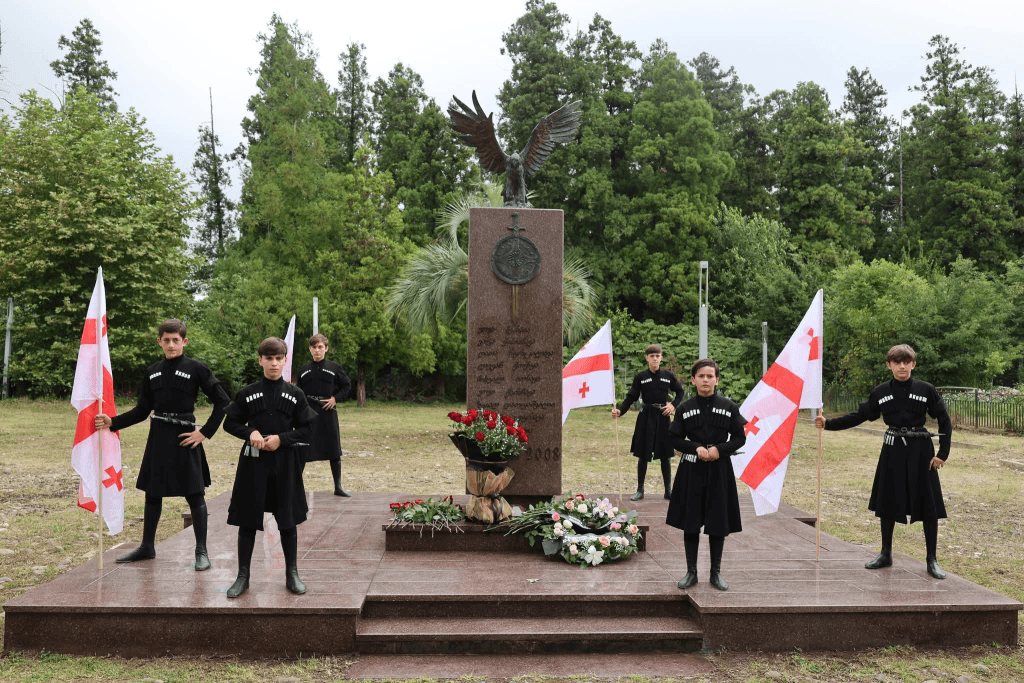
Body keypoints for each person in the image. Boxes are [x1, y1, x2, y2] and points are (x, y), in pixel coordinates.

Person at [95, 319, 230, 571]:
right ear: (159, 341)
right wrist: (112, 422)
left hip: (185, 438)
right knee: (153, 493)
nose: (170, 345)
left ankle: (201, 550)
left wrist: (204, 433)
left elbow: (223, 402)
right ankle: (147, 546)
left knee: (195, 494)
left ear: (184, 341)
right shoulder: (152, 371)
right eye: (166, 340)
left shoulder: (196, 369)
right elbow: (142, 410)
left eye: (175, 340)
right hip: (158, 438)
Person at [814, 344, 952, 579]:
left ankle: (931, 560)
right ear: (889, 365)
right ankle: (885, 553)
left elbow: (944, 419)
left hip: (921, 450)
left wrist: (943, 453)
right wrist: (829, 423)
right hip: (893, 449)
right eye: (897, 362)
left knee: (928, 504)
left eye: (906, 361)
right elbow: (859, 416)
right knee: (887, 500)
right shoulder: (881, 392)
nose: (902, 366)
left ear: (913, 364)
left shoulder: (925, 389)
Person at [222, 337, 318, 598]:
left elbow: (308, 428)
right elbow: (229, 423)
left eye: (279, 358)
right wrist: (250, 431)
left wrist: (282, 439)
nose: (274, 363)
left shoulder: (295, 393)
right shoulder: (248, 392)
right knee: (247, 520)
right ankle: (243, 576)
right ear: (260, 360)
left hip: (285, 464)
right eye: (269, 358)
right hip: (253, 464)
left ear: (285, 360)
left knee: (287, 520)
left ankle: (292, 574)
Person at [666, 358, 747, 591]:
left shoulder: (729, 407)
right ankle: (691, 572)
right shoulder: (684, 408)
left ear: (717, 380)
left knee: (718, 522)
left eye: (710, 376)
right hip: (691, 470)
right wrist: (695, 448)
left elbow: (740, 438)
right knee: (690, 522)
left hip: (720, 470)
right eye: (701, 376)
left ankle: (715, 573)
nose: (705, 380)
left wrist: (719, 450)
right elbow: (673, 438)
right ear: (693, 380)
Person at [612, 344, 685, 500]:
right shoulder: (641, 377)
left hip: (663, 416)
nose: (655, 359)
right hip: (646, 416)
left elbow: (680, 391)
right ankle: (640, 490)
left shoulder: (668, 375)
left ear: (661, 357)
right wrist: (620, 410)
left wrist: (672, 405)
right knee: (643, 453)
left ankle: (668, 490)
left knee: (666, 454)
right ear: (647, 358)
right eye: (652, 356)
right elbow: (631, 396)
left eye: (657, 356)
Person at [295, 334, 352, 496]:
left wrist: (335, 399)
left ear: (326, 348)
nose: (317, 350)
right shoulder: (304, 369)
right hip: (308, 412)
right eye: (314, 347)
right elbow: (299, 391)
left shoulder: (335, 367)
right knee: (303, 449)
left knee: (334, 449)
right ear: (310, 349)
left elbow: (346, 386)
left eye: (320, 347)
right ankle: (294, 487)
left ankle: (338, 486)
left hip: (327, 412)